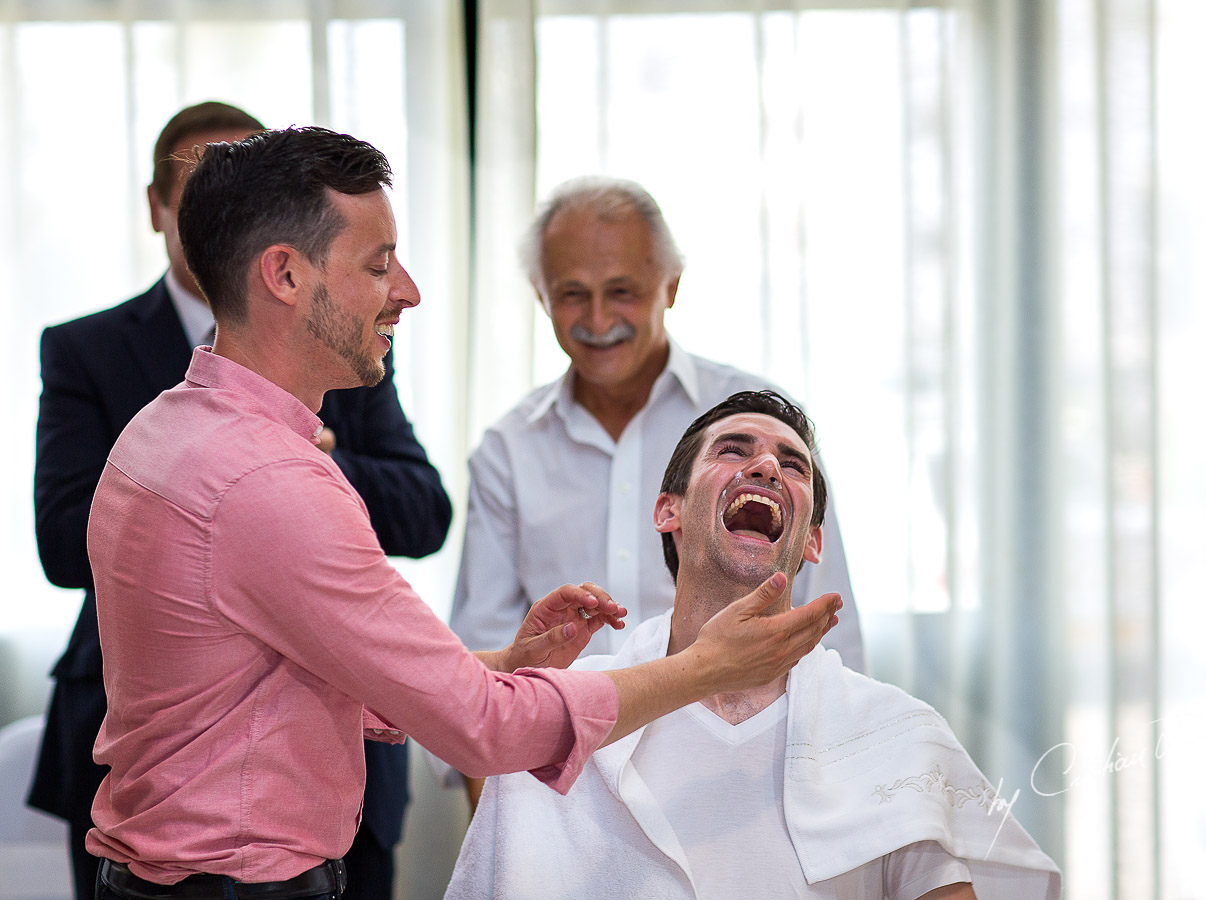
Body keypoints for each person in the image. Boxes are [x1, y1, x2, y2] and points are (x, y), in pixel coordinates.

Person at [83, 126, 841, 899]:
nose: (407, 290)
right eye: (378, 265)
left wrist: (506, 667)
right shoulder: (270, 482)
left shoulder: (165, 428)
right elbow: (482, 726)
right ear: (283, 274)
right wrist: (706, 667)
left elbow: (277, 682)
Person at [28, 101, 452, 900]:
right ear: (159, 207)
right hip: (146, 767)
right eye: (192, 188)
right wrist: (241, 484)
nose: (400, 290)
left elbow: (426, 510)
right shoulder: (86, 351)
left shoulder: (347, 336)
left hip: (334, 750)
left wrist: (308, 465)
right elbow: (59, 541)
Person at [447, 391, 1063, 900]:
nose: (766, 468)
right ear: (669, 510)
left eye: (793, 465)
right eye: (733, 451)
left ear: (813, 542)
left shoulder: (894, 734)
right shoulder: (553, 715)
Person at [449, 176, 865, 669]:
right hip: (570, 744)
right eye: (573, 294)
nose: (599, 320)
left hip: (741, 740)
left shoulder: (763, 429)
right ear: (541, 296)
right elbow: (485, 654)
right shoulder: (508, 451)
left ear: (671, 286)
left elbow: (828, 631)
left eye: (621, 291)